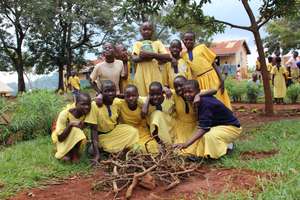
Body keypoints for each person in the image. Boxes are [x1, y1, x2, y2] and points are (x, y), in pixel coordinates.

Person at [173, 80, 242, 159]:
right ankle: (205, 152)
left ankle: (223, 152)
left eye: (190, 92)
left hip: (231, 128)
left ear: (198, 91)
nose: (187, 94)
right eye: (185, 92)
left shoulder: (205, 103)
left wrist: (186, 144)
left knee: (208, 136)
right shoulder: (197, 98)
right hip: (217, 127)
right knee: (199, 137)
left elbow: (203, 129)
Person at [85, 80, 139, 164]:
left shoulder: (117, 102)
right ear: (101, 92)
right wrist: (97, 155)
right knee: (93, 150)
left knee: (132, 131)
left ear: (115, 91)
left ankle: (111, 150)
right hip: (101, 136)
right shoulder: (94, 105)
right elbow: (93, 130)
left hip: (114, 132)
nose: (110, 93)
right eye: (106, 91)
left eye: (112, 90)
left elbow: (128, 96)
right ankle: (104, 150)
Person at [181, 31, 232, 110]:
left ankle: (223, 118)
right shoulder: (183, 55)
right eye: (186, 40)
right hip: (199, 81)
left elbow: (213, 63)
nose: (188, 41)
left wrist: (221, 79)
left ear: (194, 40)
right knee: (205, 101)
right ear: (183, 41)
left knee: (217, 97)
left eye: (191, 40)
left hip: (211, 77)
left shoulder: (202, 48)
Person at [172, 76, 216, 156]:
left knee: (196, 150)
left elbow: (214, 90)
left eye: (181, 85)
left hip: (195, 126)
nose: (178, 88)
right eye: (176, 87)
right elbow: (161, 91)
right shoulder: (174, 95)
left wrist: (198, 95)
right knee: (179, 151)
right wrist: (165, 89)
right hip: (181, 127)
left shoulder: (193, 93)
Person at [132, 21, 171, 96]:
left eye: (149, 29)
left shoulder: (157, 43)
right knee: (142, 97)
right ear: (140, 31)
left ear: (152, 31)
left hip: (155, 74)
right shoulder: (137, 44)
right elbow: (134, 59)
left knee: (157, 95)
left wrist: (152, 55)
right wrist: (143, 57)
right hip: (141, 75)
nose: (147, 31)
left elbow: (167, 57)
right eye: (144, 29)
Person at [51, 93, 92, 163]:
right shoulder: (64, 114)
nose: (86, 107)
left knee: (78, 131)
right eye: (83, 104)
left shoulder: (87, 114)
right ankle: (68, 153)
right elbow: (60, 138)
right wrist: (70, 124)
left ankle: (74, 154)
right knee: (75, 129)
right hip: (63, 138)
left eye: (88, 104)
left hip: (79, 139)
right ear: (76, 104)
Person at [119, 85, 159, 153]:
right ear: (124, 97)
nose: (131, 98)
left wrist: (149, 96)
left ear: (138, 95)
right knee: (138, 148)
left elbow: (144, 113)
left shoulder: (140, 102)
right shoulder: (120, 103)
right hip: (129, 132)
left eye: (133, 95)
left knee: (152, 146)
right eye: (128, 96)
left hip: (143, 131)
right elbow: (108, 96)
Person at [142, 82, 175, 151]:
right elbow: (144, 113)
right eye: (152, 94)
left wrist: (166, 89)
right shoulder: (145, 102)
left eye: (158, 94)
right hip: (154, 132)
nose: (155, 97)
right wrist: (148, 98)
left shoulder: (169, 98)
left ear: (162, 93)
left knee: (158, 114)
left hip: (169, 128)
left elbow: (181, 89)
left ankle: (166, 144)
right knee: (156, 114)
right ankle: (159, 142)